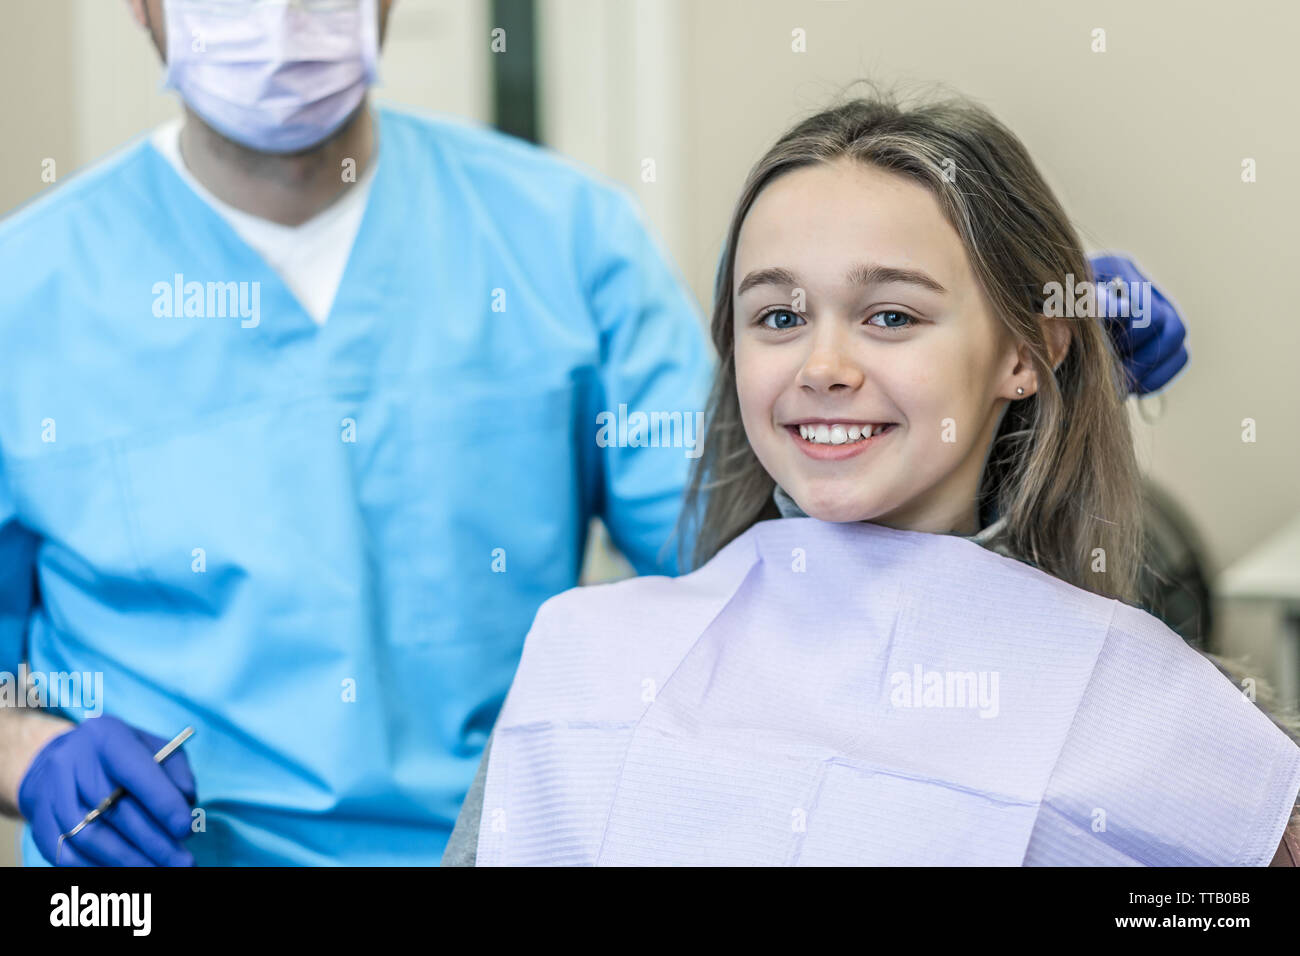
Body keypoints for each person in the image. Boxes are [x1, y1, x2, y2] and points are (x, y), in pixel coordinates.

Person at [0, 3, 1183, 866]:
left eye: (885, 311)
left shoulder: (557, 240)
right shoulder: (25, 291)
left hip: (535, 825)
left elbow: (752, 533)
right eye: (779, 313)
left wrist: (1002, 374)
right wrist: (35, 757)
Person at [448, 91, 1299, 866]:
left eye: (891, 315)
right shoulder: (588, 663)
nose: (822, 365)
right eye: (778, 316)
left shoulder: (1137, 709)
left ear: (1026, 352)